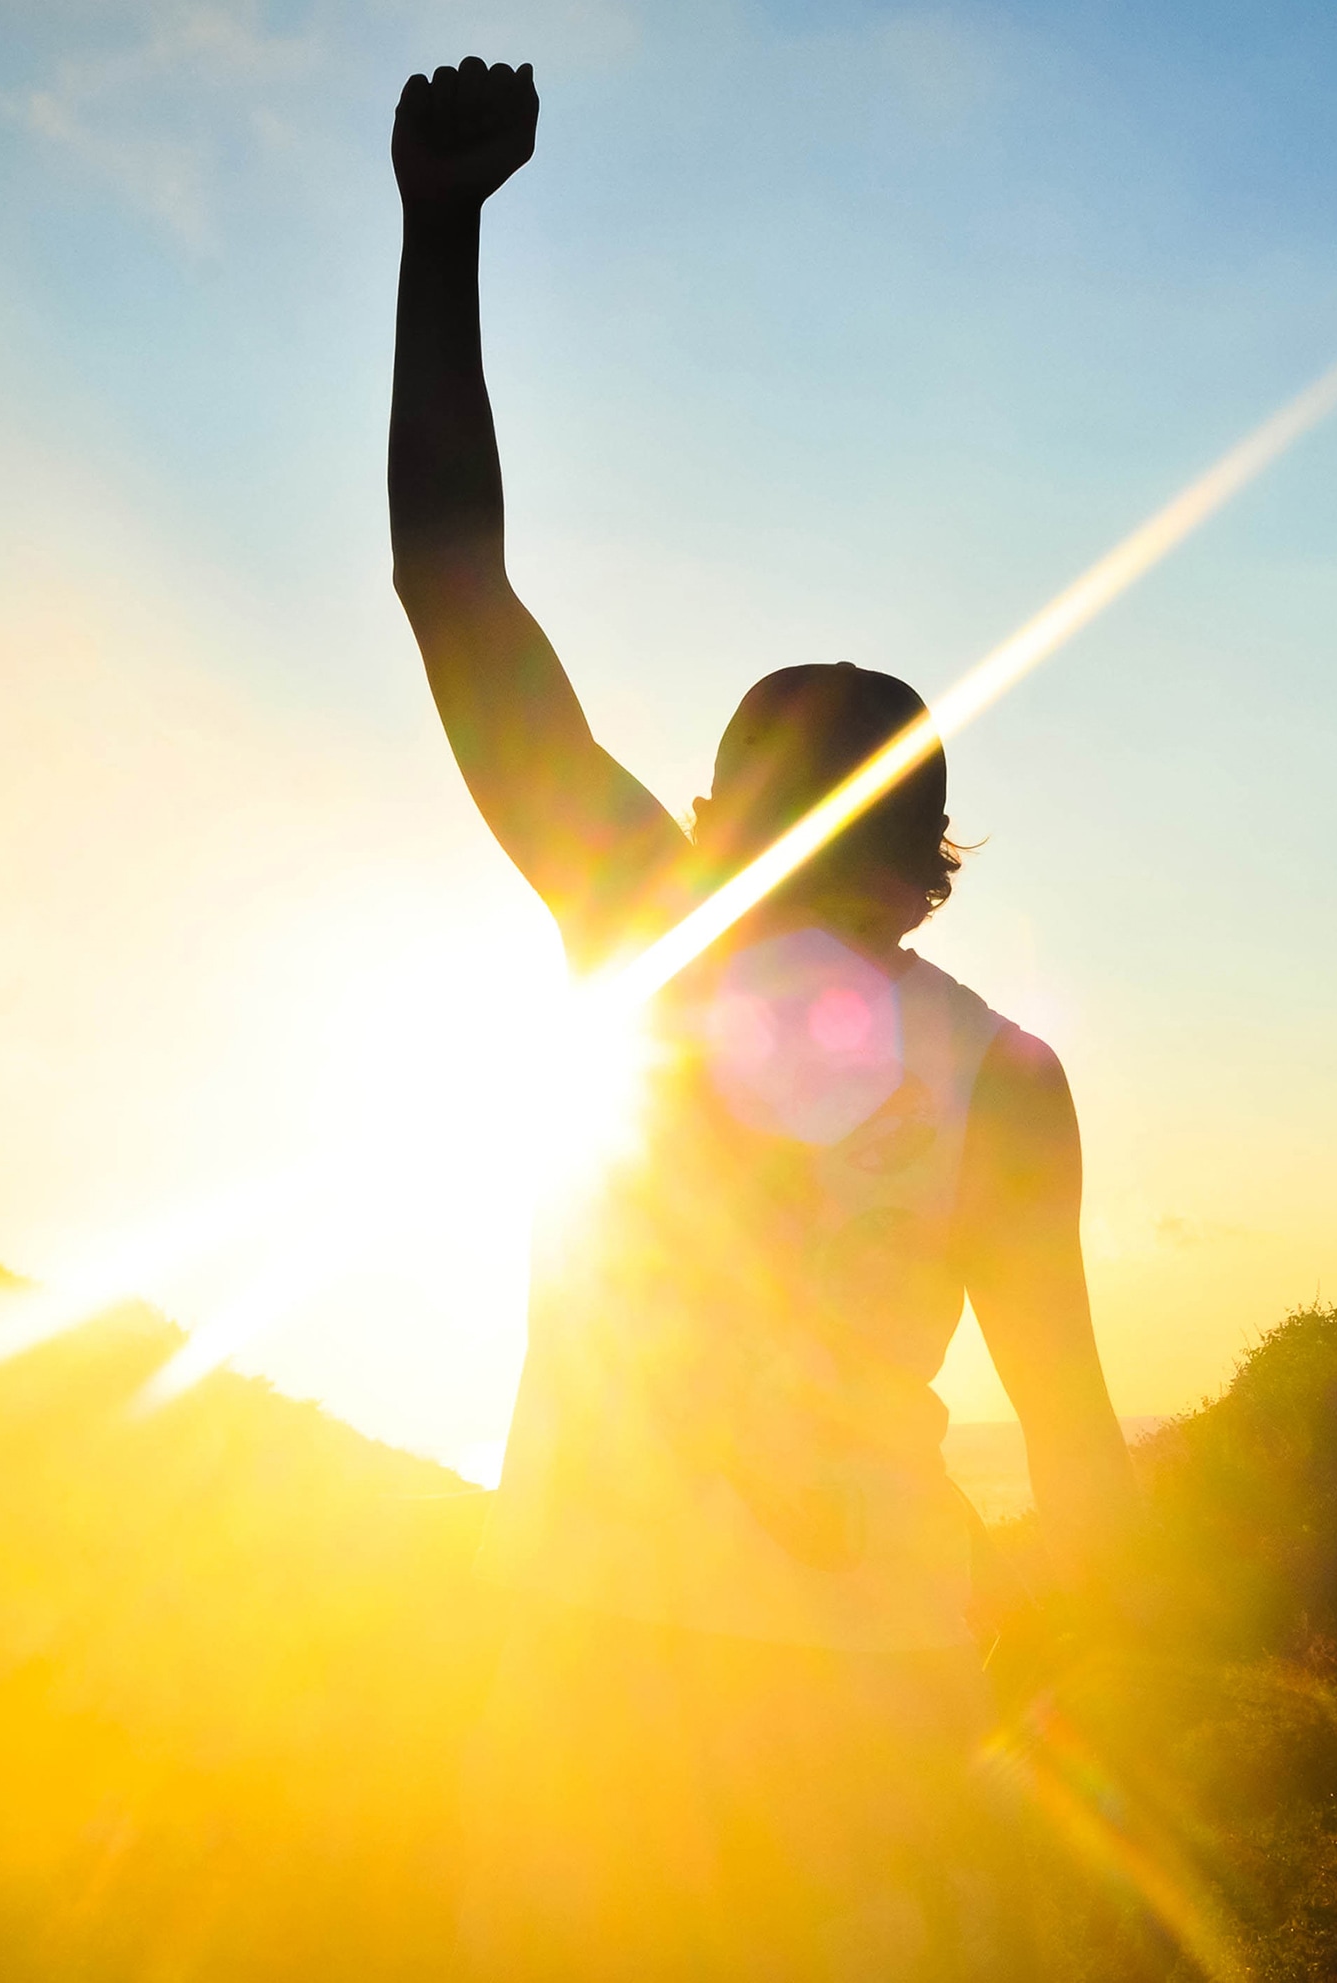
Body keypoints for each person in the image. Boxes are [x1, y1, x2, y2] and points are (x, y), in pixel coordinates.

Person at [387, 57, 1141, 1982]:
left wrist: (445, 227)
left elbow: (453, 589)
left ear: (724, 820)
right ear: (931, 858)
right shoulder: (1012, 1083)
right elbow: (1085, 1480)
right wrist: (962, 1670)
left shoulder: (640, 922)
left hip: (594, 1667)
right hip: (865, 1695)